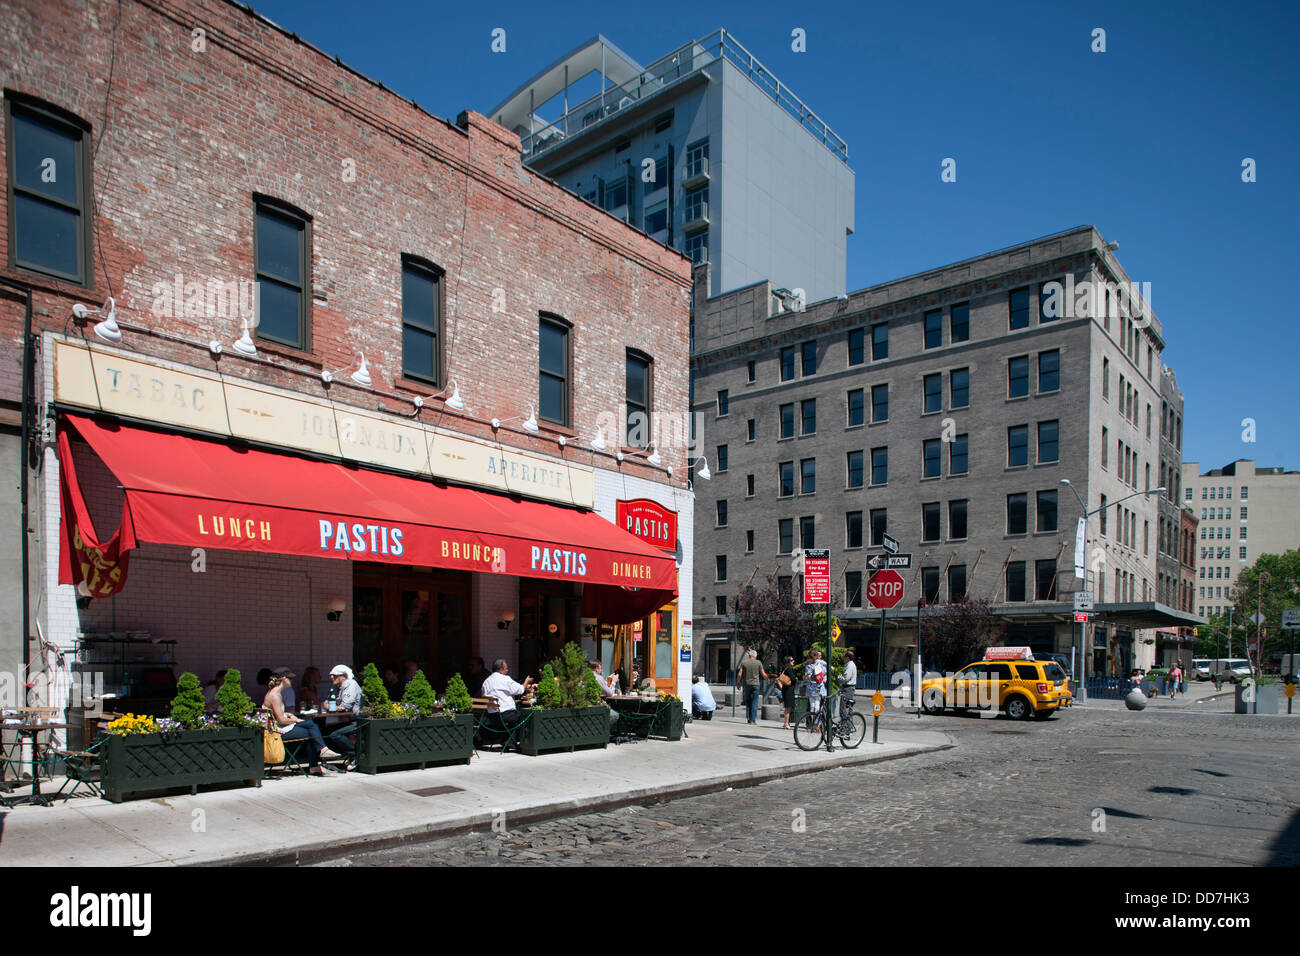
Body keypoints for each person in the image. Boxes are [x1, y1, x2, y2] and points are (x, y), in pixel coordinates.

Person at [265, 668, 339, 775]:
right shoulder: (275, 696)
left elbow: (277, 715)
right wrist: (294, 720)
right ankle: (319, 755)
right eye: (290, 679)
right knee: (311, 730)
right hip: (278, 732)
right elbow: (281, 720)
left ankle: (319, 757)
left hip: (277, 728)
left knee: (311, 727)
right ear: (284, 679)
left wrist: (288, 715)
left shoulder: (273, 693)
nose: (292, 681)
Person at [481, 659, 535, 750]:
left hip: (492, 717)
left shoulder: (486, 682)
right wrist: (526, 681)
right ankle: (522, 743)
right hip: (505, 715)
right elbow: (520, 690)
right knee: (528, 715)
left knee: (514, 716)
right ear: (501, 670)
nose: (507, 671)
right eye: (506, 669)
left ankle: (508, 741)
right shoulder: (505, 679)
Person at [324, 665, 362, 760]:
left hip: (359, 721)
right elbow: (329, 702)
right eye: (331, 675)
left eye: (335, 675)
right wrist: (330, 705)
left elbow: (345, 706)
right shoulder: (342, 686)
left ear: (344, 675)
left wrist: (331, 706)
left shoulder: (350, 684)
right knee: (326, 730)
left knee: (335, 734)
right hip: (351, 720)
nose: (332, 677)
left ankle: (355, 755)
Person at [735, 649, 769, 724]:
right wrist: (767, 679)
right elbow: (763, 674)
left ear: (749, 655)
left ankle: (748, 718)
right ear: (755, 656)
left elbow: (740, 674)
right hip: (756, 684)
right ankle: (753, 720)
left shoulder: (744, 663)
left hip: (747, 685)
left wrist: (738, 683)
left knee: (748, 702)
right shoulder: (758, 663)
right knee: (755, 702)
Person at [804, 649, 828, 714]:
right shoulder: (821, 663)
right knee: (815, 705)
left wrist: (807, 676)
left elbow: (807, 677)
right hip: (818, 686)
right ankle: (815, 723)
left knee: (814, 706)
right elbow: (825, 671)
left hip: (812, 687)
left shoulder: (808, 664)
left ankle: (814, 722)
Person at [777, 657, 798, 729]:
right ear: (788, 662)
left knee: (788, 707)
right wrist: (796, 679)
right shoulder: (789, 669)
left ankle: (786, 722)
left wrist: (781, 687)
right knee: (788, 707)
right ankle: (786, 723)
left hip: (786, 689)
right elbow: (793, 679)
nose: (793, 661)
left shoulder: (785, 669)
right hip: (788, 690)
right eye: (792, 660)